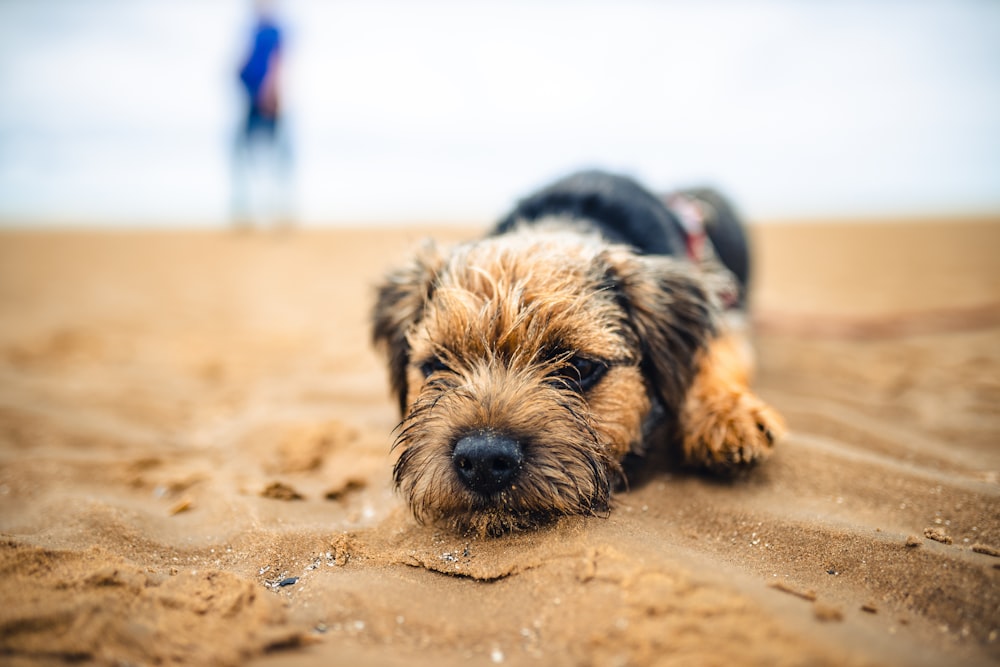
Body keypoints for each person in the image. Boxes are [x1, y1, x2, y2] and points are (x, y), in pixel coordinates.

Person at [232, 1, 293, 230]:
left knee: (278, 155)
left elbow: (277, 62)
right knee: (244, 154)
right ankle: (246, 211)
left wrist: (270, 92)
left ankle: (280, 212)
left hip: (265, 100)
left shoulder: (273, 31)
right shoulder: (255, 29)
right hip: (251, 98)